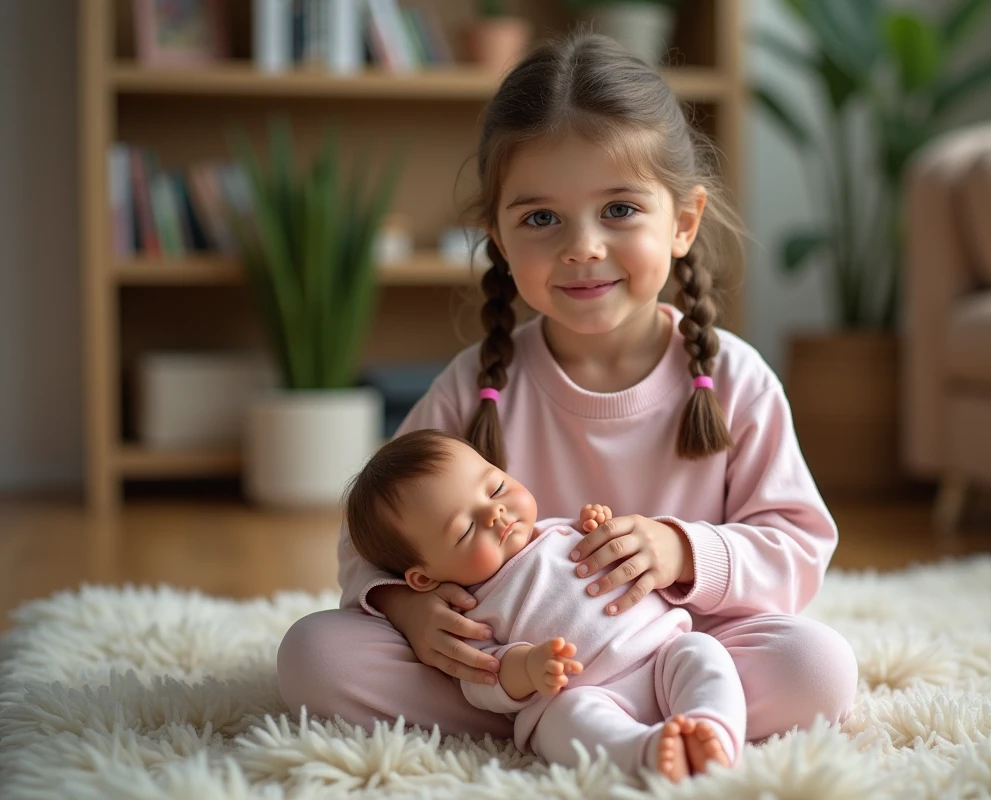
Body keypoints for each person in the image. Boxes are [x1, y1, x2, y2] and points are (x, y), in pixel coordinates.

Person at [277, 31, 858, 747]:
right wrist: (406, 609)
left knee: (819, 668)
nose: (582, 246)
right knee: (315, 655)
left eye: (619, 210)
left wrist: (680, 552)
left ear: (683, 223)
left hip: (679, 650)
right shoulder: (476, 384)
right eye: (541, 219)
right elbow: (372, 534)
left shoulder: (736, 379)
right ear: (498, 236)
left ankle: (616, 721)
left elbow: (796, 547)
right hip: (510, 665)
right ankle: (570, 717)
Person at [343, 429, 745, 780]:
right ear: (423, 578)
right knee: (561, 724)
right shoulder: (465, 609)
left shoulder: (556, 531)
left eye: (496, 487)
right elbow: (482, 679)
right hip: (585, 693)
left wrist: (601, 528)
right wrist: (527, 668)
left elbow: (624, 557)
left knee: (704, 652)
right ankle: (644, 753)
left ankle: (712, 730)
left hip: (661, 653)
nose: (495, 513)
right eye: (465, 528)